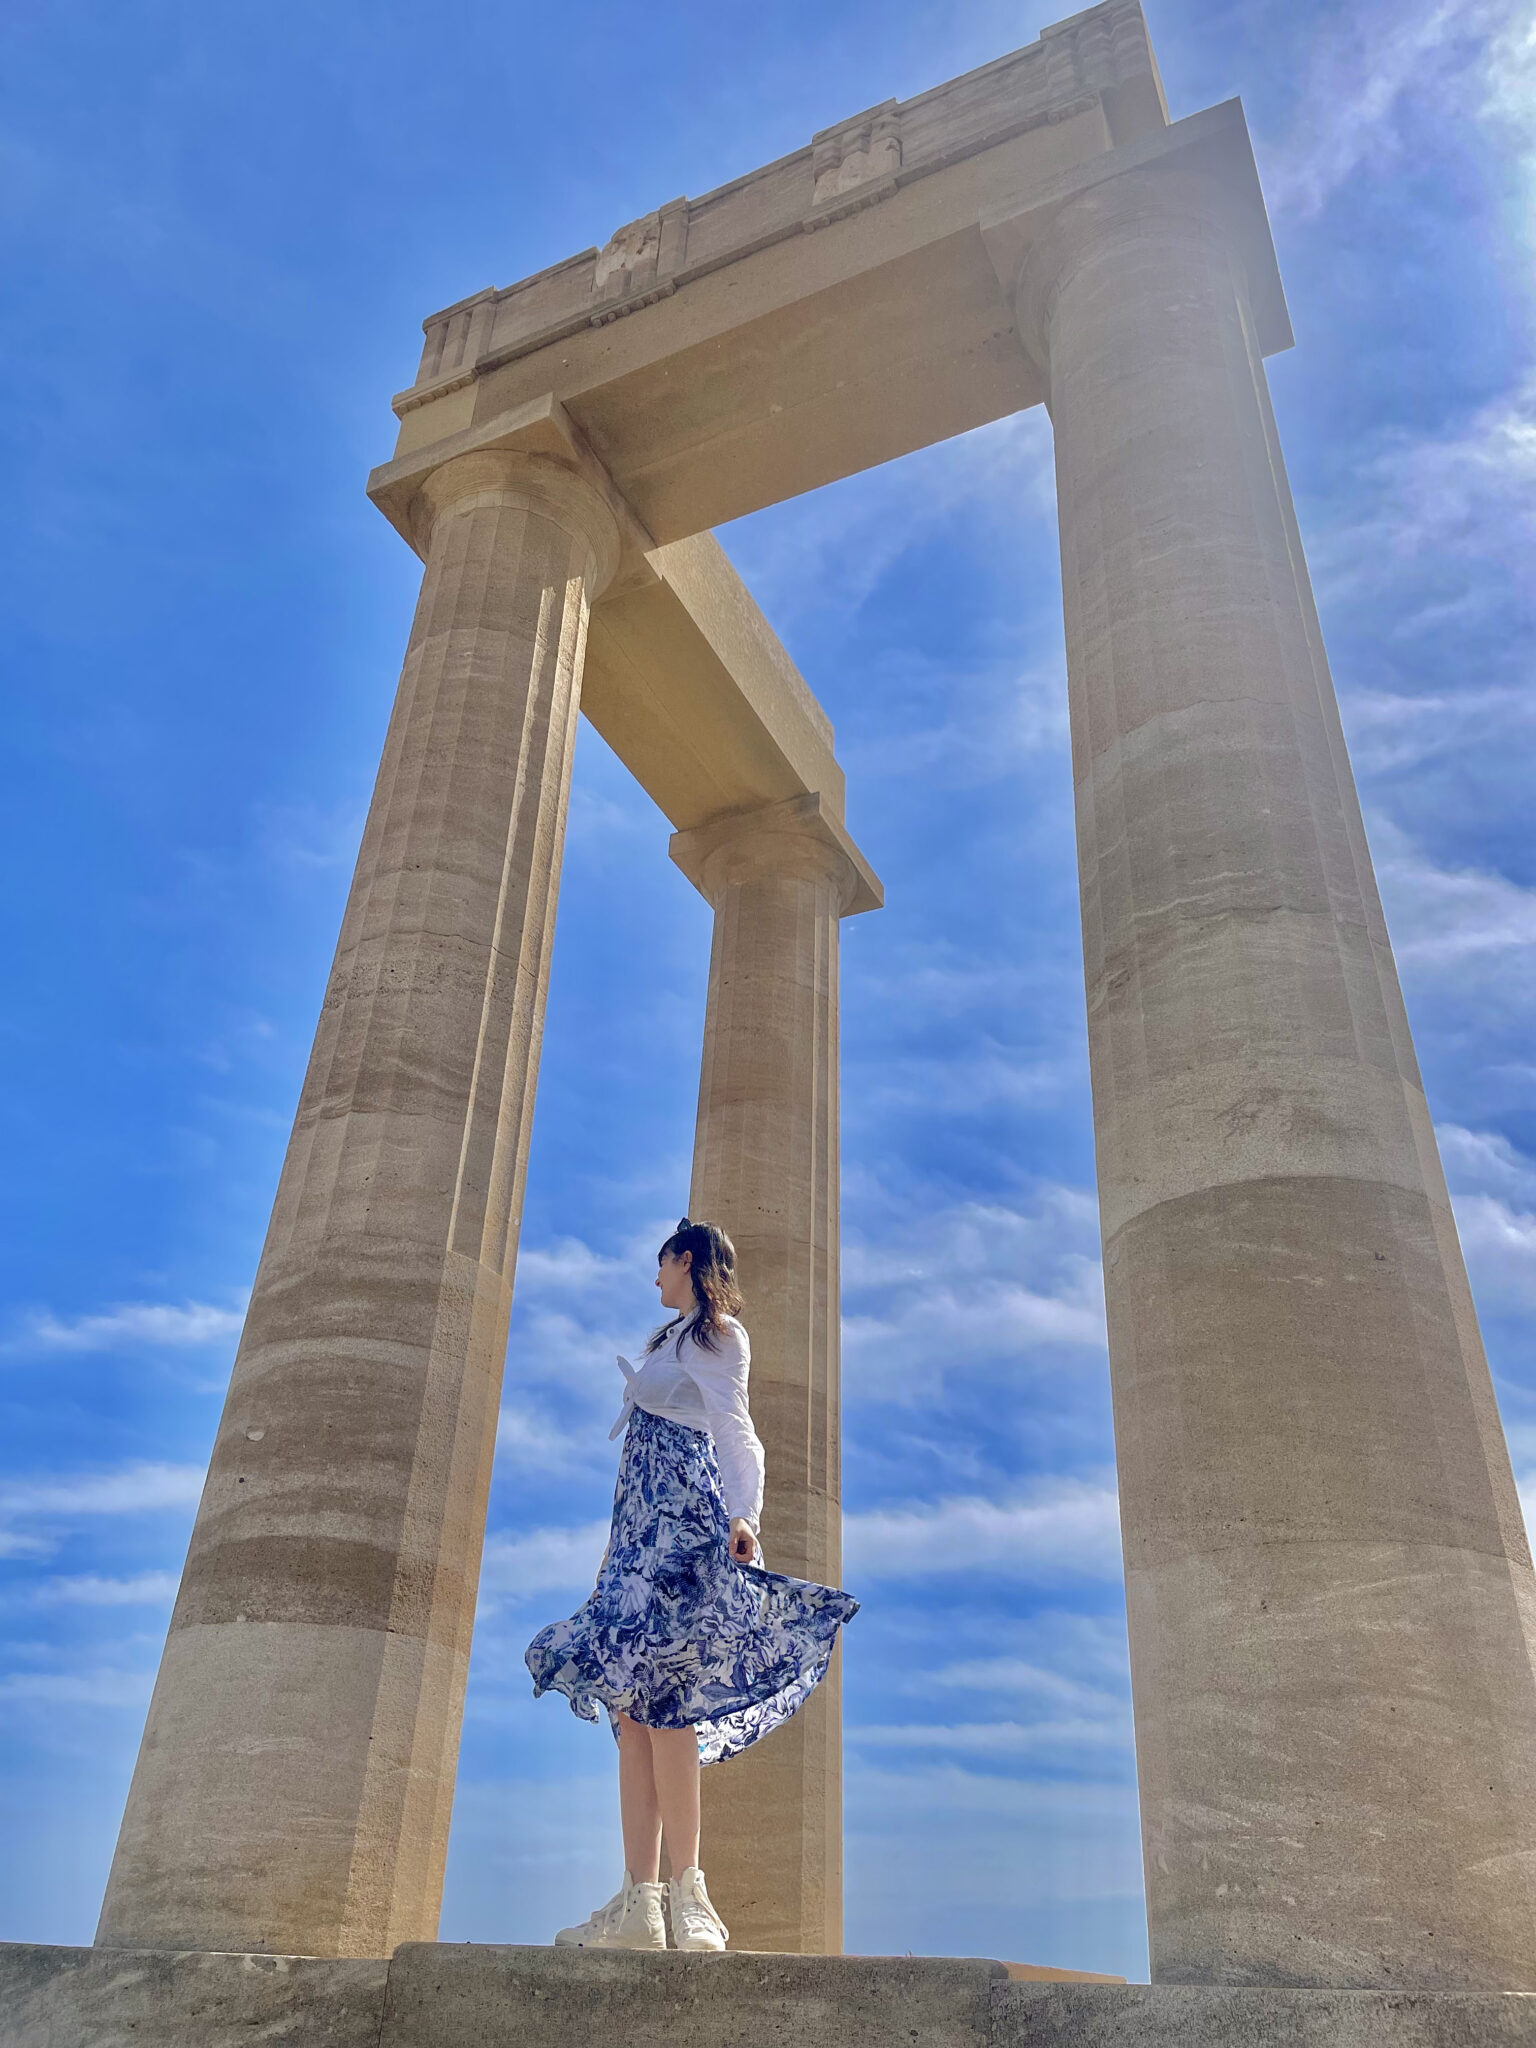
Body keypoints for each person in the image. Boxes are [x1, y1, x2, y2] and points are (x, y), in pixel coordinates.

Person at [525, 1217, 858, 1953]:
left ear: (685, 1260)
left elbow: (736, 1429)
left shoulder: (719, 1336)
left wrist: (747, 1515)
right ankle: (641, 1901)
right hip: (637, 1529)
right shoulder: (671, 1338)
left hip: (679, 1521)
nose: (654, 1278)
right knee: (634, 1711)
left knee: (668, 1701)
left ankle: (689, 1892)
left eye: (661, 1264)